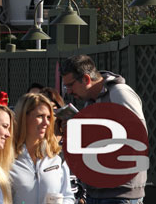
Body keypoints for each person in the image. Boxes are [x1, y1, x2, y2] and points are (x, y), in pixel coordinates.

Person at [62, 55, 147, 203]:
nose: (68, 91)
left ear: (86, 79)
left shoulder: (119, 94)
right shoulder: (91, 102)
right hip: (96, 192)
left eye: (70, 85)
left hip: (121, 194)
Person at [10, 93, 74, 204]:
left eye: (49, 117)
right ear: (23, 117)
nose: (46, 123)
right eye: (40, 116)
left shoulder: (57, 156)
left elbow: (68, 196)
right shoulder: (7, 157)